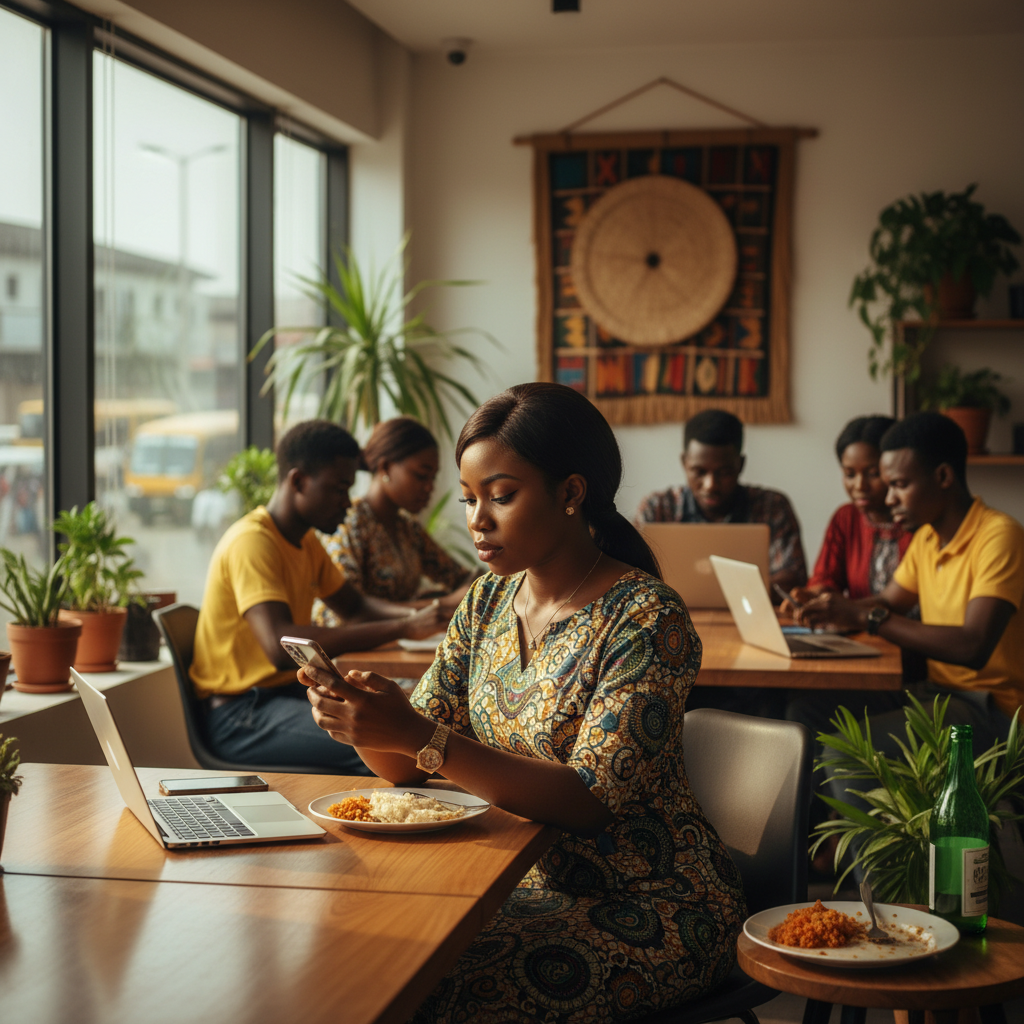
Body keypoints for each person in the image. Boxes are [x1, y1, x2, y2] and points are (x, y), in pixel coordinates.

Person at [300, 383, 745, 1024]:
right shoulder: (485, 603)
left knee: (428, 989)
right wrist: (363, 720)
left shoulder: (646, 617)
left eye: (500, 497)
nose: (477, 520)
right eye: (468, 500)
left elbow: (587, 800)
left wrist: (421, 735)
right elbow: (407, 766)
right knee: (360, 955)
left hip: (653, 900)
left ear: (571, 493)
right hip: (516, 881)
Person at [789, 412, 1023, 855]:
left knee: (841, 753)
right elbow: (888, 602)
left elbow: (973, 647)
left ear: (943, 476)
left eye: (899, 484)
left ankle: (883, 898)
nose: (888, 496)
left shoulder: (1000, 536)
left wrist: (867, 618)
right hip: (937, 695)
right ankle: (818, 853)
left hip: (991, 710)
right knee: (805, 713)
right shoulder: (928, 539)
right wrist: (832, 609)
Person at [189, 420, 444, 772]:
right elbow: (280, 648)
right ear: (298, 481)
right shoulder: (252, 542)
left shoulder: (305, 541)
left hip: (284, 696)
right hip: (241, 713)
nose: (346, 502)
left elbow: (356, 608)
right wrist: (402, 627)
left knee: (419, 715)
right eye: (339, 489)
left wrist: (413, 619)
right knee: (384, 747)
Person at [312, 417, 478, 627]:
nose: (429, 488)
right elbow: (347, 612)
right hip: (351, 655)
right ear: (386, 467)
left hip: (399, 648)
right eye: (421, 476)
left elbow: (462, 579)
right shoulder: (348, 523)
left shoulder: (408, 528)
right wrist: (439, 604)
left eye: (433, 478)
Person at [634, 408, 807, 596]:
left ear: (740, 465)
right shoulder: (657, 508)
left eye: (723, 472)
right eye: (699, 472)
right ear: (684, 462)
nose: (710, 485)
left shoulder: (772, 507)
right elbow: (632, 575)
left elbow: (793, 576)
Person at [786, 415, 911, 605]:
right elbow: (827, 578)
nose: (860, 485)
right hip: (860, 631)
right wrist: (812, 596)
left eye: (873, 474)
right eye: (849, 474)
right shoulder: (846, 517)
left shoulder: (918, 518)